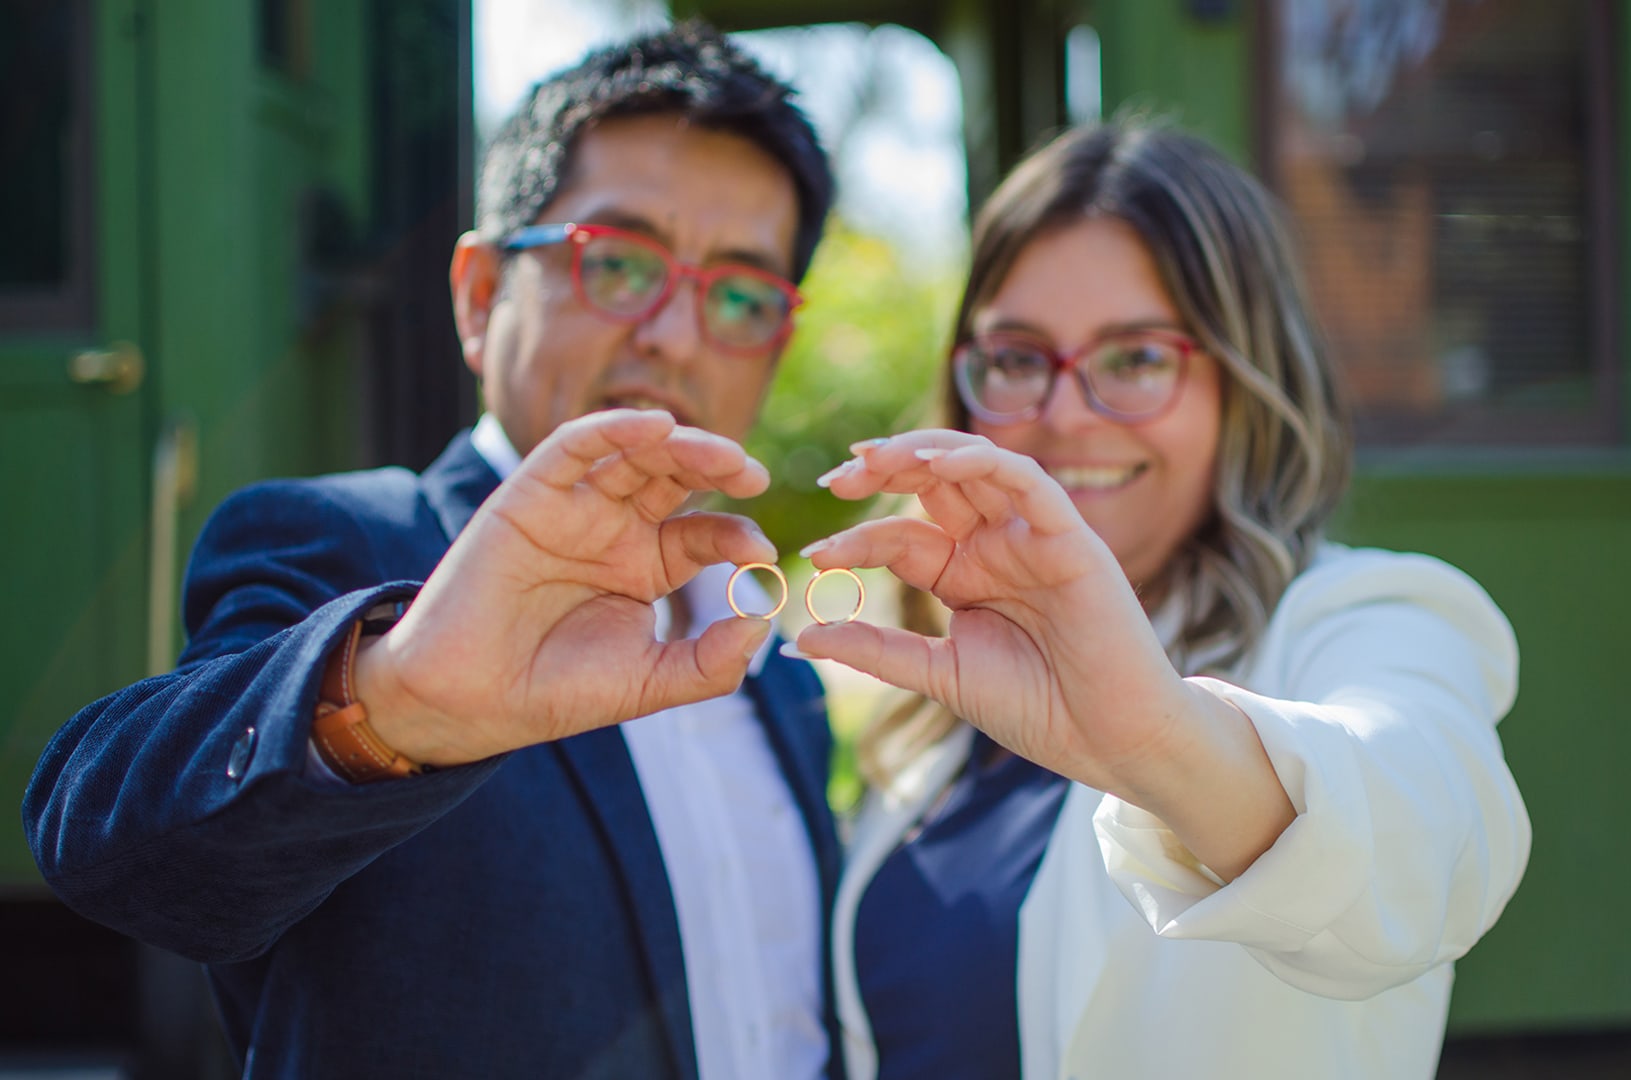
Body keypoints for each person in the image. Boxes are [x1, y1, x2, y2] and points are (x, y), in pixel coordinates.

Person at [25, 22, 845, 1080]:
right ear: (479, 295)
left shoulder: (772, 671)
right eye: (618, 262)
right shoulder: (350, 548)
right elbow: (111, 849)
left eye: (738, 295)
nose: (674, 337)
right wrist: (395, 699)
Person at [791, 118, 1530, 1079]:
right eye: (1016, 357)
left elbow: (1424, 850)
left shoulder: (1362, 618)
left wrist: (1154, 741)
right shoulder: (940, 704)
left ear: (1242, 386)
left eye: (1135, 358)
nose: (1060, 415)